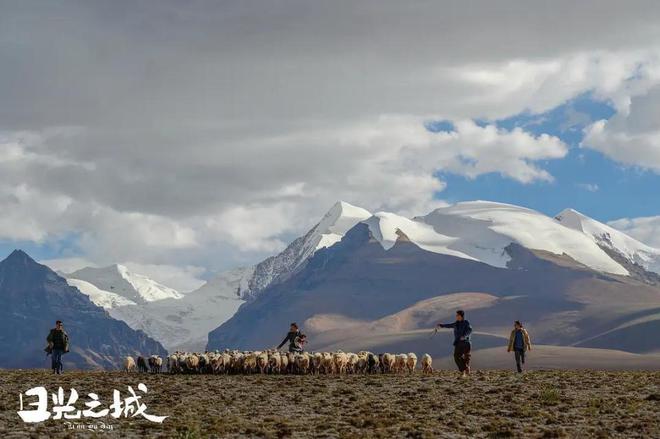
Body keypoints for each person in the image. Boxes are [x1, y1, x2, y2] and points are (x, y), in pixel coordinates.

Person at [436, 310, 473, 378]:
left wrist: (464, 336)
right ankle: (465, 368)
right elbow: (449, 325)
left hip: (466, 343)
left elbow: (469, 330)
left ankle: (463, 372)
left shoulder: (466, 322)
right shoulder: (456, 323)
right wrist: (441, 325)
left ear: (461, 316)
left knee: (466, 357)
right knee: (456, 357)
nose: (456, 316)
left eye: (457, 315)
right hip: (458, 343)